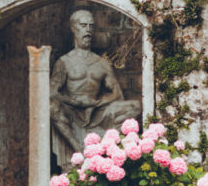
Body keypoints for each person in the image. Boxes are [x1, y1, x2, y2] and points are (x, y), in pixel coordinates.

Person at [50, 9, 141, 167]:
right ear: (73, 28)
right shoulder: (64, 62)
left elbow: (117, 94)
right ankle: (78, 149)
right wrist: (75, 102)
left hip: (97, 112)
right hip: (73, 111)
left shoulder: (101, 63)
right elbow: (51, 93)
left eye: (91, 26)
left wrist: (96, 103)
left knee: (135, 106)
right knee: (51, 107)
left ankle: (104, 147)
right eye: (83, 25)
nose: (88, 30)